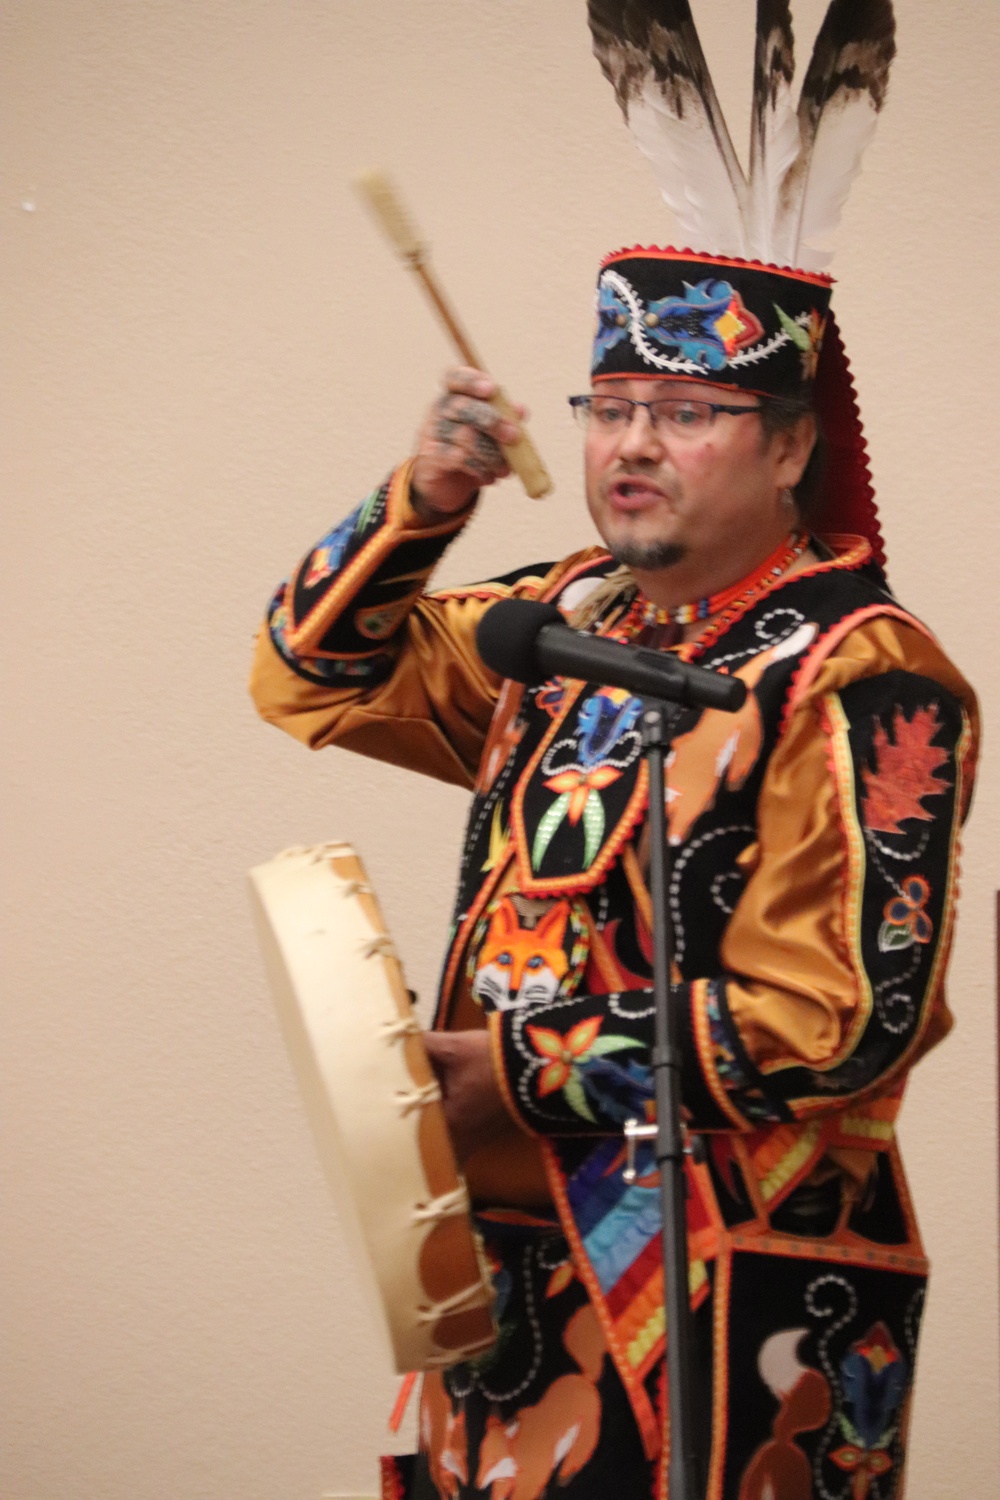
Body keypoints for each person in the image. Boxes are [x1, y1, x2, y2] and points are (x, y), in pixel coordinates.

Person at [249, 241, 978, 1499]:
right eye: (612, 410)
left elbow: (844, 1019)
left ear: (792, 446)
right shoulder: (570, 617)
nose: (632, 446)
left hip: (723, 1283)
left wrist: (524, 1075)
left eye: (687, 414)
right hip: (505, 1276)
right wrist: (424, 500)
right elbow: (313, 674)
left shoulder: (858, 672)